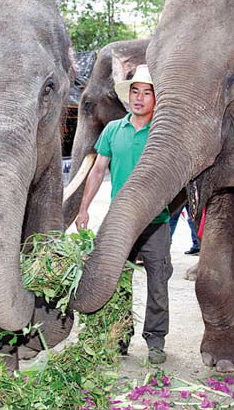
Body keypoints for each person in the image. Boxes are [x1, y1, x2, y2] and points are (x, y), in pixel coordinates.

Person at [75, 64, 172, 365]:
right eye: (135, 91)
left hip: (156, 221)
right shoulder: (113, 130)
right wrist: (83, 209)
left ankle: (155, 340)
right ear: (127, 96)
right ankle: (119, 336)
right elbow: (97, 170)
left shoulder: (163, 132)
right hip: (120, 222)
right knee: (118, 281)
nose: (139, 98)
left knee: (158, 281)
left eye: (146, 92)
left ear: (156, 99)